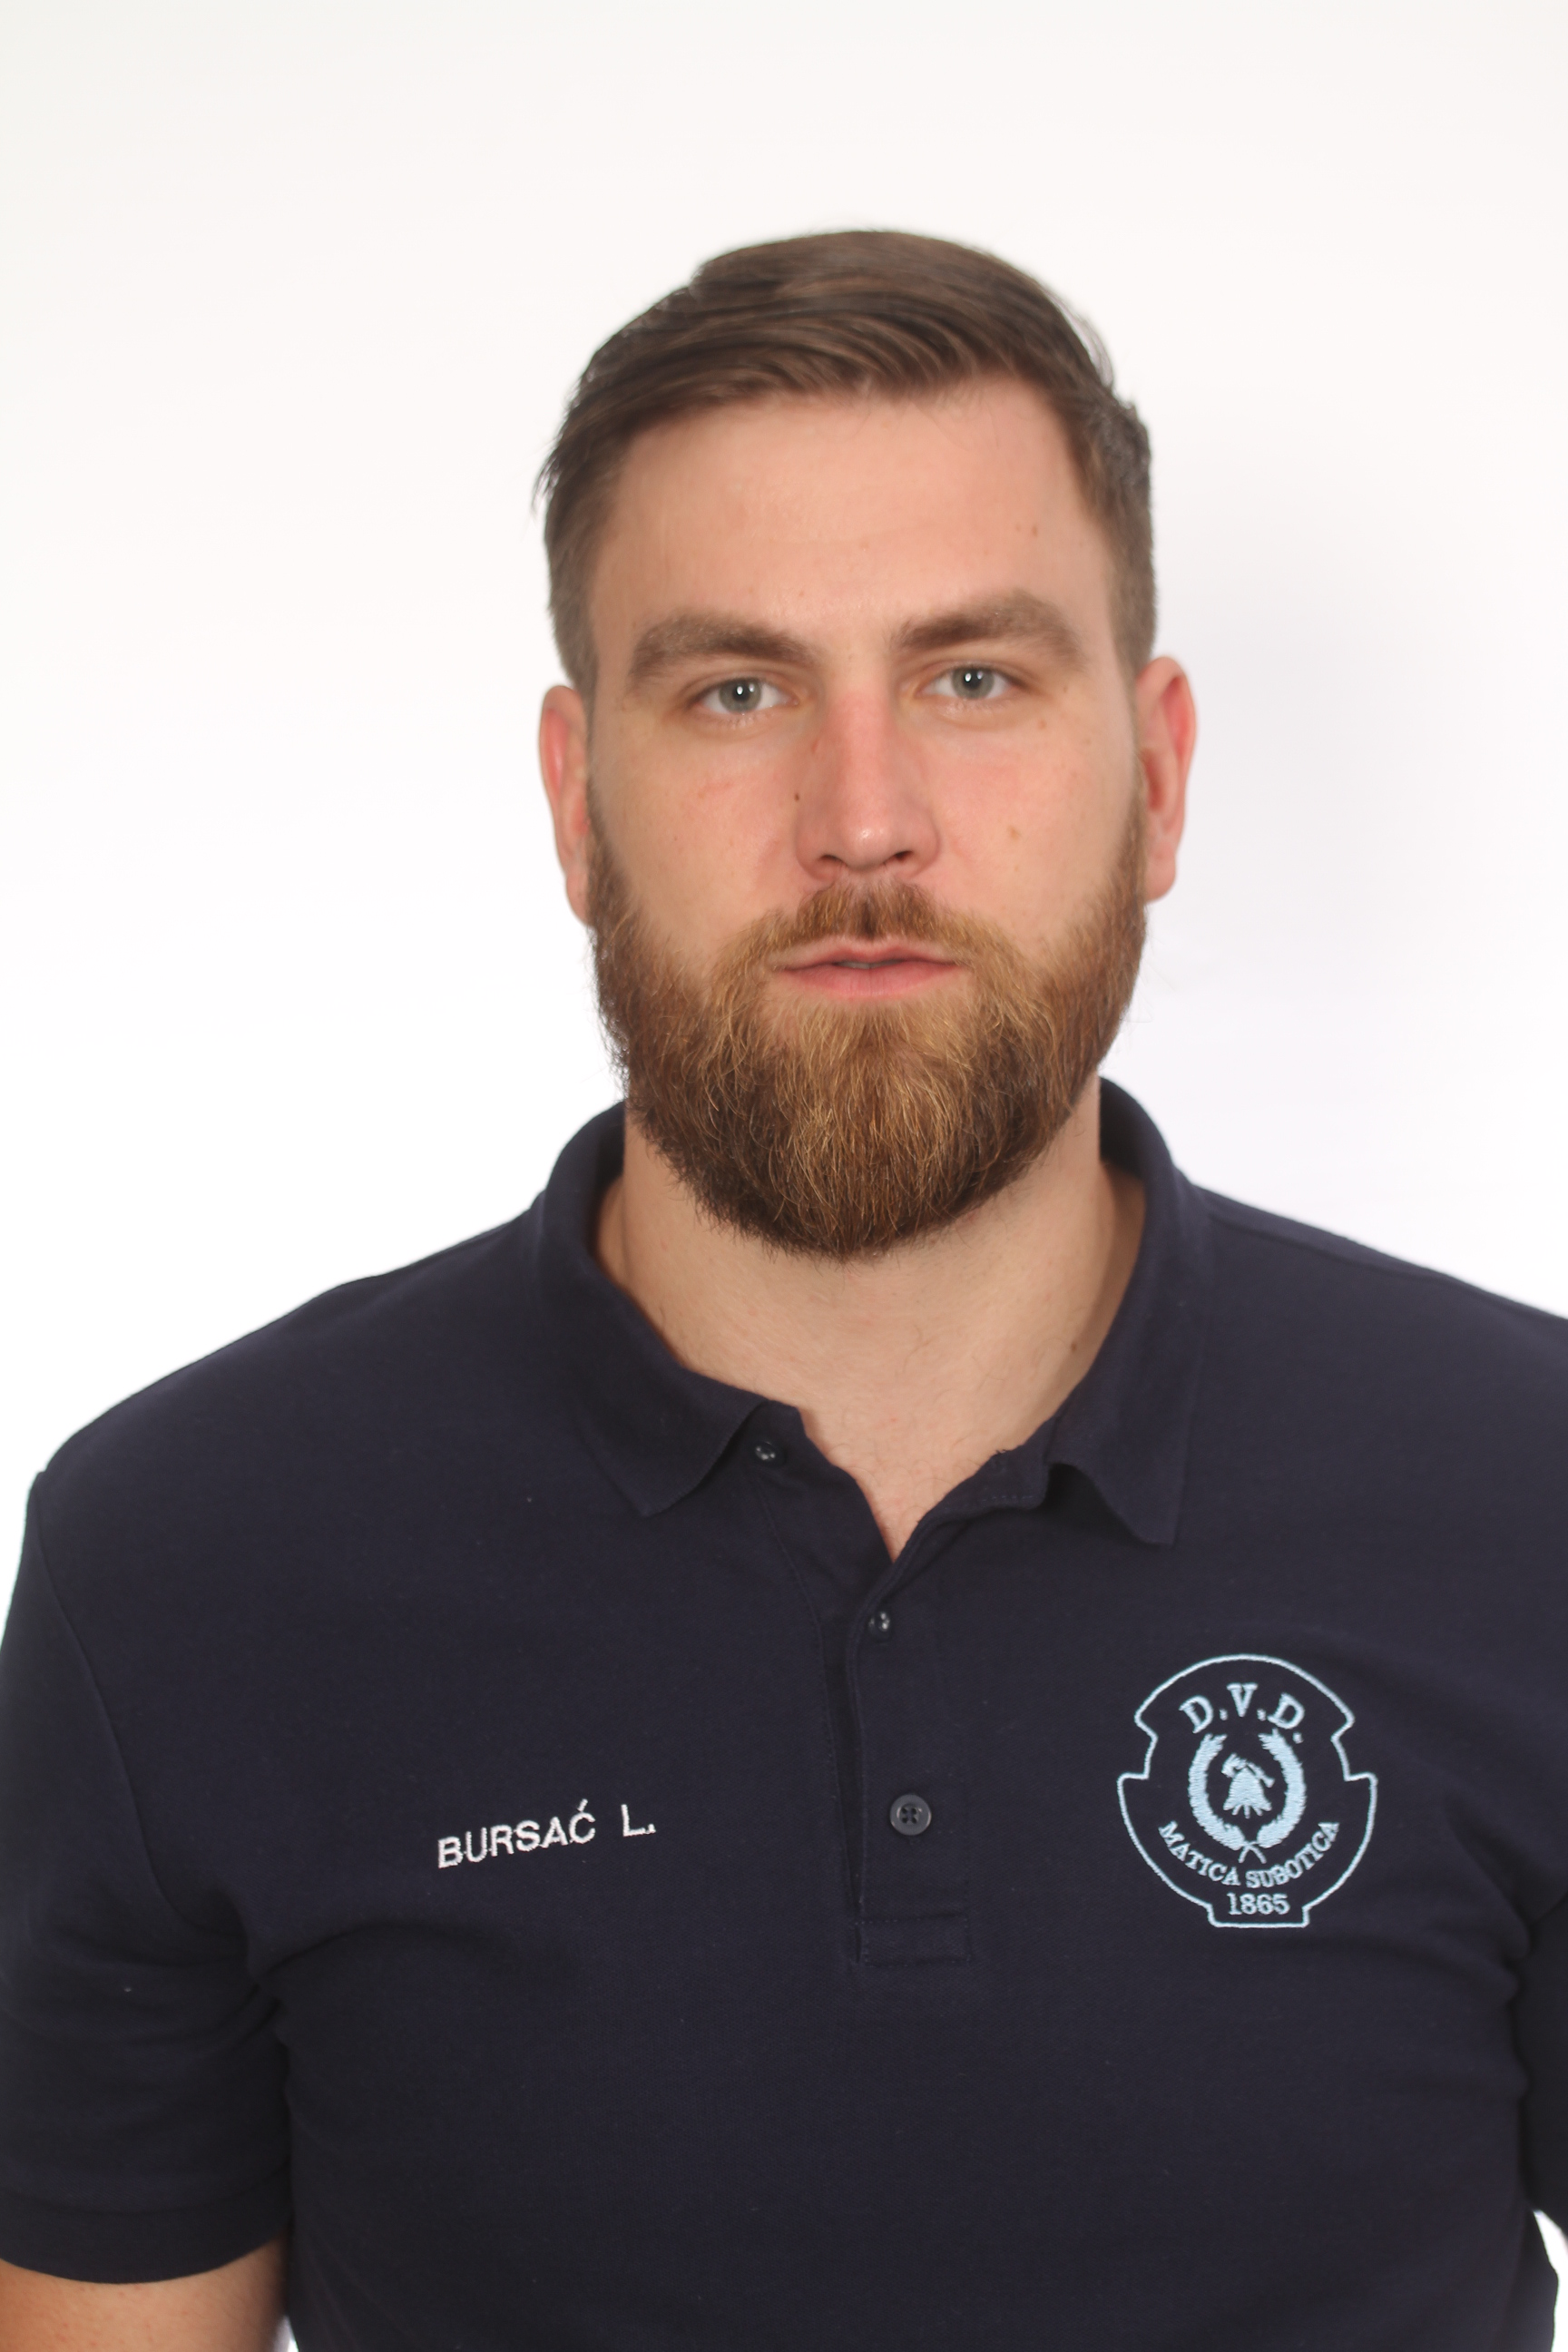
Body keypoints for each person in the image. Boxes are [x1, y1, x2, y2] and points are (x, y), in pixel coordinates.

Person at [2, 230, 1566, 2352]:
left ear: (1161, 774)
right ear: (579, 803)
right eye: (737, 691)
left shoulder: (1529, 1497)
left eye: (974, 678)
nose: (863, 821)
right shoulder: (192, 1561)